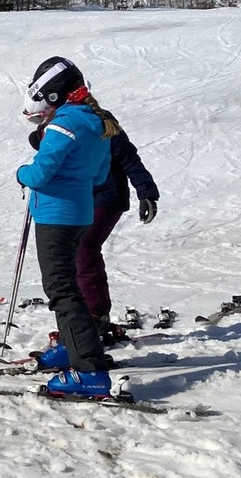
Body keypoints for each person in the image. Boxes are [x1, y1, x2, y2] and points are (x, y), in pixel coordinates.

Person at [17, 56, 118, 398]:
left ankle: (90, 371)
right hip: (80, 214)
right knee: (69, 286)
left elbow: (40, 173)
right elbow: (100, 176)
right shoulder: (97, 122)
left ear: (54, 95)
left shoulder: (63, 125)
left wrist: (21, 173)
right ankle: (72, 348)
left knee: (62, 291)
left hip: (55, 217)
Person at [33, 111, 159, 343]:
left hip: (108, 196)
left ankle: (95, 316)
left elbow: (128, 156)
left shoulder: (99, 121)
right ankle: (80, 319)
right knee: (71, 252)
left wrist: (146, 192)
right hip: (82, 198)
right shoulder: (63, 121)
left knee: (85, 247)